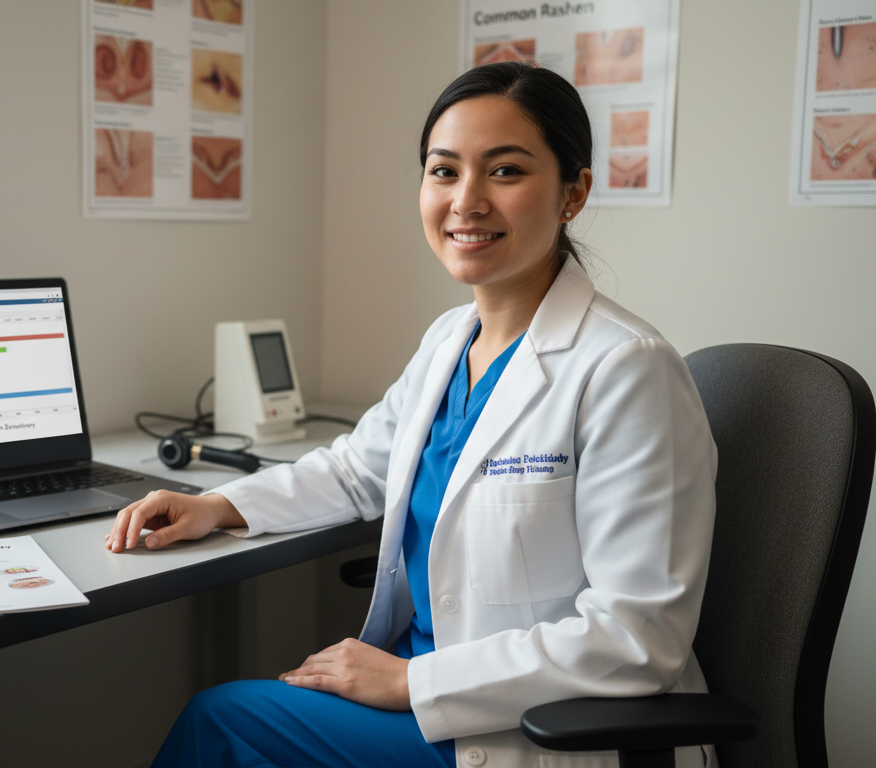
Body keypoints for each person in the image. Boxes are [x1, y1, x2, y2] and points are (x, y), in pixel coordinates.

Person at [105, 62, 718, 768]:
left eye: (506, 172)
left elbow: (638, 638)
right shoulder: (449, 341)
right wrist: (215, 505)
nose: (467, 201)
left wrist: (411, 680)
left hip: (534, 731)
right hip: (432, 693)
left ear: (573, 192)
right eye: (443, 171)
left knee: (222, 723)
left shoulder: (626, 369)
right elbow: (356, 470)